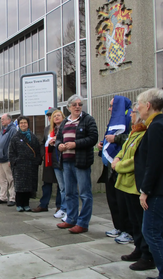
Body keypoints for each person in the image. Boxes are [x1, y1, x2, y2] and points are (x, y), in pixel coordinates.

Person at [134, 88, 163, 279]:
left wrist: (145, 190)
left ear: (148, 105)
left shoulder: (157, 127)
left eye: (139, 104)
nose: (138, 108)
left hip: (159, 190)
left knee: (151, 232)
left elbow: (154, 162)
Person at [111, 102, 155, 272]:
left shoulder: (144, 134)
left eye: (133, 112)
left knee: (141, 221)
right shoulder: (133, 133)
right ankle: (138, 248)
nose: (130, 115)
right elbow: (122, 151)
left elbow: (136, 161)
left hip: (135, 185)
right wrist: (116, 160)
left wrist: (118, 166)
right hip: (125, 184)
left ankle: (147, 255)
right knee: (133, 222)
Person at [55, 94, 98, 234]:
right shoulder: (65, 122)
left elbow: (93, 138)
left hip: (81, 162)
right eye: (74, 105)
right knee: (69, 193)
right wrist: (59, 145)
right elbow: (58, 139)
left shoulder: (88, 119)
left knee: (85, 194)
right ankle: (71, 219)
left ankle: (83, 223)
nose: (77, 107)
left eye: (80, 104)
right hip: (66, 162)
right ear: (69, 107)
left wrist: (75, 144)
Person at [97, 95, 133, 244]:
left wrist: (116, 139)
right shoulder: (115, 119)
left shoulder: (129, 119)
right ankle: (118, 227)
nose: (109, 108)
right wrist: (103, 143)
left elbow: (131, 139)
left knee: (123, 201)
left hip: (121, 167)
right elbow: (109, 137)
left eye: (112, 106)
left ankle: (128, 231)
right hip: (109, 168)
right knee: (112, 200)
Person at [9, 116, 42, 212]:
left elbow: (37, 150)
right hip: (19, 166)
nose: (23, 124)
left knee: (29, 186)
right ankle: (19, 204)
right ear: (18, 125)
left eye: (25, 123)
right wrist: (14, 162)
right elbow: (11, 152)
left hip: (31, 165)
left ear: (28, 124)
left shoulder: (33, 137)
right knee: (19, 186)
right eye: (21, 123)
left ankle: (26, 204)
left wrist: (37, 161)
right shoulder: (15, 137)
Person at [32, 108, 61, 214]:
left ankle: (59, 205)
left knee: (60, 183)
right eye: (49, 117)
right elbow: (42, 142)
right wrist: (43, 154)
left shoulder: (62, 128)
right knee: (46, 183)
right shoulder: (47, 129)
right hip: (48, 160)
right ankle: (44, 204)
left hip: (58, 158)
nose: (50, 118)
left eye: (51, 116)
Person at [0, 113, 17, 206]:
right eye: (1, 119)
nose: (1, 121)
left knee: (10, 179)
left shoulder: (12, 130)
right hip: (0, 159)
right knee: (1, 179)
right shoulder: (2, 130)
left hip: (7, 159)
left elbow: (12, 145)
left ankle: (13, 198)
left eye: (3, 119)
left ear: (9, 120)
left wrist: (10, 158)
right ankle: (2, 197)